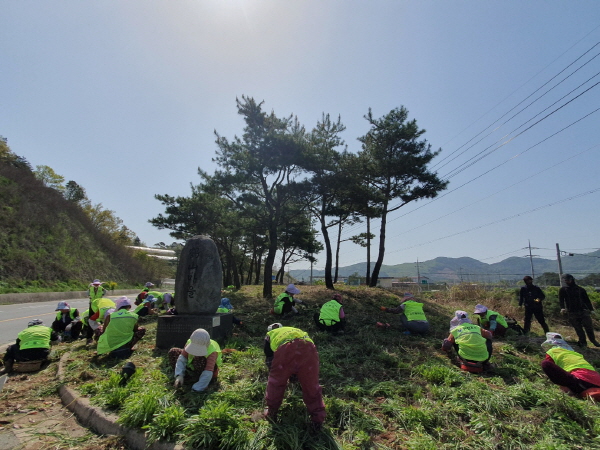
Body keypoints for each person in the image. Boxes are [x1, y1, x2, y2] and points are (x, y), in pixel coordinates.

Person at [263, 324, 326, 432]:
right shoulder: (295, 330)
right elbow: (299, 354)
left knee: (276, 383)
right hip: (309, 348)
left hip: (285, 349)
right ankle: (318, 420)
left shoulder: (270, 335)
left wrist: (281, 373)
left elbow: (269, 357)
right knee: (311, 385)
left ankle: (271, 412)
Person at [541, 332, 600, 399]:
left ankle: (574, 392)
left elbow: (550, 366)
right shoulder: (574, 353)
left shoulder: (552, 352)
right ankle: (590, 391)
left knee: (545, 364)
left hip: (580, 379)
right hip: (597, 379)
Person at [559, 274, 599, 348]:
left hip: (583, 311)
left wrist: (591, 309)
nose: (567, 281)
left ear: (572, 280)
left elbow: (587, 300)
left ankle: (593, 340)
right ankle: (583, 342)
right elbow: (561, 300)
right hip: (572, 312)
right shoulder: (563, 290)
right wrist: (562, 308)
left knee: (589, 327)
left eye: (568, 280)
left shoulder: (580, 289)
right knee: (578, 328)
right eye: (565, 280)